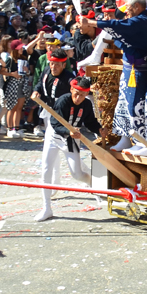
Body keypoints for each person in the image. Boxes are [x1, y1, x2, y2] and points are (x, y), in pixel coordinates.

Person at [80, 0, 147, 151]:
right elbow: (119, 32)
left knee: (136, 104)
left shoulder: (143, 20)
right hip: (128, 69)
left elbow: (121, 26)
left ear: (137, 7)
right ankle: (125, 138)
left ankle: (141, 142)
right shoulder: (135, 20)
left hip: (138, 70)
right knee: (124, 104)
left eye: (128, 7)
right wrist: (108, 25)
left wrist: (92, 23)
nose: (126, 10)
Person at [33, 76, 102, 222]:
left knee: (77, 174)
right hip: (54, 137)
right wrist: (67, 131)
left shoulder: (87, 104)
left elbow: (90, 121)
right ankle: (46, 208)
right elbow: (54, 123)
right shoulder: (63, 101)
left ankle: (95, 188)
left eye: (82, 95)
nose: (78, 98)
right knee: (46, 170)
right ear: (71, 89)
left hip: (71, 140)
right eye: (76, 93)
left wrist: (100, 129)